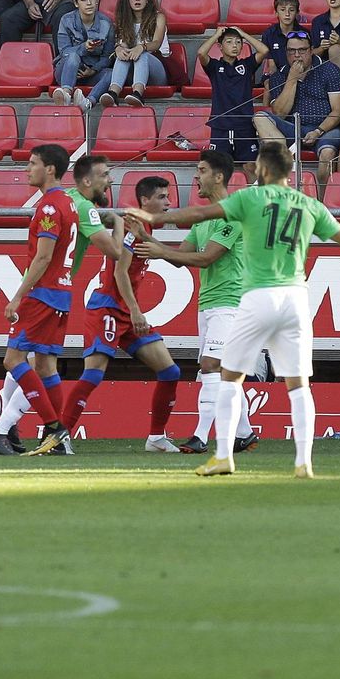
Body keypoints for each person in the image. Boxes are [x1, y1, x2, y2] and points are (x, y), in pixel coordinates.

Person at [128, 141, 340, 477]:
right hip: (295, 299)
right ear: (291, 171)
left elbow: (199, 213)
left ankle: (223, 455)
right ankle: (304, 461)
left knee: (228, 377)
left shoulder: (250, 199)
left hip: (255, 297)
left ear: (262, 170)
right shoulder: (309, 205)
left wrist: (153, 216)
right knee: (299, 384)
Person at [41, 178, 185, 454]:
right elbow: (119, 272)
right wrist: (135, 310)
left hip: (125, 311)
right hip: (107, 307)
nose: (169, 202)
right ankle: (59, 439)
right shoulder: (132, 228)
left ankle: (156, 437)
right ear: (145, 201)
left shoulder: (145, 226)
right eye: (163, 197)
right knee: (93, 375)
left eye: (169, 196)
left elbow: (164, 255)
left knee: (170, 371)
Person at [133, 149, 256, 455]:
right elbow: (179, 257)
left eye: (201, 170)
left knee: (210, 366)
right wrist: (146, 239)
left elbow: (206, 257)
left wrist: (160, 251)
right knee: (225, 368)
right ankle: (244, 433)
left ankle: (201, 436)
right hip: (209, 303)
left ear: (218, 176)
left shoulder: (233, 215)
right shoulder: (203, 221)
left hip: (232, 302)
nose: (195, 176)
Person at [0, 146, 84, 456]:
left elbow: (42, 257)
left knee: (12, 360)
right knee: (45, 366)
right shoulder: (68, 202)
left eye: (33, 164)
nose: (27, 169)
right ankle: (60, 440)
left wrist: (17, 297)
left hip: (41, 294)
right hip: (61, 293)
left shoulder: (49, 208)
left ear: (51, 169)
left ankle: (55, 429)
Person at [254, 29, 340, 158]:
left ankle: (322, 178)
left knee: (327, 153)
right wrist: (292, 79)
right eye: (291, 51)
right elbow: (280, 113)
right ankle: (283, 159)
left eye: (302, 50)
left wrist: (318, 131)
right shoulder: (278, 76)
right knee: (260, 117)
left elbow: (339, 111)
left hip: (324, 129)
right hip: (292, 128)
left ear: (311, 50)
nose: (296, 55)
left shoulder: (329, 70)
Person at [201, 23, 267, 171]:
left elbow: (264, 50)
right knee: (217, 169)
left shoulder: (247, 65)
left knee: (251, 167)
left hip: (245, 126)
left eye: (238, 42)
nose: (235, 45)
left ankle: (253, 195)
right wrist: (217, 35)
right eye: (229, 42)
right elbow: (201, 53)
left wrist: (243, 34)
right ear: (220, 47)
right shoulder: (214, 67)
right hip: (221, 126)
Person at [95, 0, 169, 106]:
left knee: (142, 54)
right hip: (132, 71)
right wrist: (119, 48)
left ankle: (138, 94)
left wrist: (141, 47)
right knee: (122, 55)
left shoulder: (159, 17)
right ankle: (113, 93)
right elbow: (123, 43)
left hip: (156, 69)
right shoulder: (124, 19)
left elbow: (157, 42)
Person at [50, 0, 114, 108]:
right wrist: (83, 48)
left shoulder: (106, 23)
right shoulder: (66, 20)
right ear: (76, 3)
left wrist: (93, 70)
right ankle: (66, 94)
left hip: (91, 71)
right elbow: (64, 52)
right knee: (73, 55)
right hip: (66, 69)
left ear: (96, 0)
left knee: (112, 73)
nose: (89, 3)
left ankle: (88, 102)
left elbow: (108, 56)